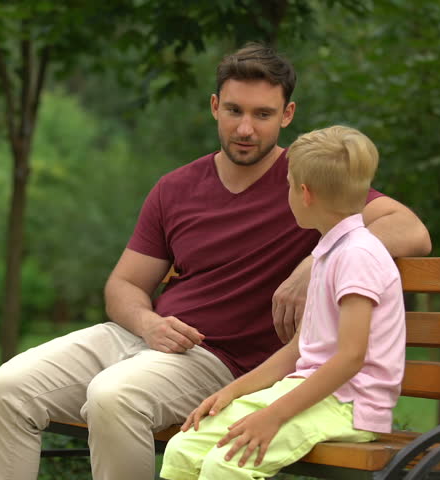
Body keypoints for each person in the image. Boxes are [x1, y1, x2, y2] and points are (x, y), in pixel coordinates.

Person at [0, 43, 431, 480]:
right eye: (235, 111)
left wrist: (314, 261)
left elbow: (410, 231)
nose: (245, 129)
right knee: (6, 388)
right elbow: (123, 285)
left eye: (263, 114)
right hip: (144, 337)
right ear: (215, 106)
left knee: (114, 397)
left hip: (219, 358)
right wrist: (148, 323)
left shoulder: (309, 180)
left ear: (287, 115)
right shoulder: (175, 188)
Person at [159, 125, 405, 480]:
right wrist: (229, 393)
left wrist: (272, 416)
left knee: (227, 464)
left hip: (349, 406)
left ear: (304, 193)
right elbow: (298, 351)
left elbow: (351, 358)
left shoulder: (358, 256)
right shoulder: (327, 252)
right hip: (306, 390)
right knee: (185, 448)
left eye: (288, 185)